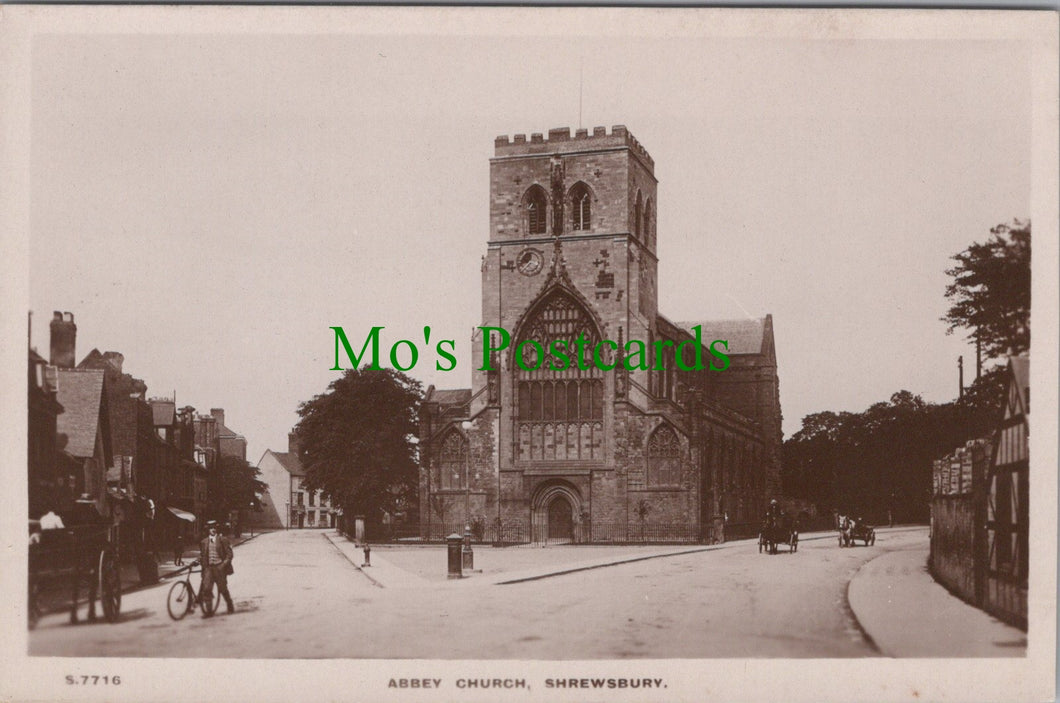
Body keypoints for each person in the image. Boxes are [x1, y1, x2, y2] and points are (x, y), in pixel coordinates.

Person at [198, 520, 235, 617]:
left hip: (219, 568)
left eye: (214, 528)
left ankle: (229, 604)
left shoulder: (223, 540)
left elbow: (229, 554)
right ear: (208, 530)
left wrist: (224, 564)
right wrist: (198, 561)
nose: (213, 530)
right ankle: (209, 611)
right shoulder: (204, 542)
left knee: (222, 588)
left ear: (217, 529)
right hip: (209, 568)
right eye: (211, 528)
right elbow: (202, 555)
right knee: (206, 589)